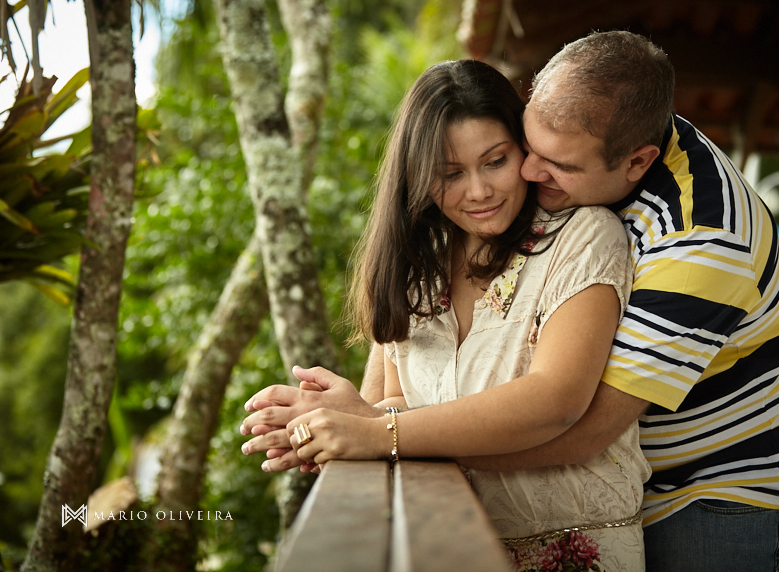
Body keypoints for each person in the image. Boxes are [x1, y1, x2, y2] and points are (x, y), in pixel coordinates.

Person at [244, 31, 779, 572]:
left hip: (729, 478)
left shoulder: (700, 241)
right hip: (628, 475)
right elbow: (397, 377)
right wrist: (365, 419)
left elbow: (576, 425)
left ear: (637, 162)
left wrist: (381, 431)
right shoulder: (603, 126)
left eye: (550, 165)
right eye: (527, 143)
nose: (525, 170)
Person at [243, 59, 649, 571]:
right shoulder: (419, 262)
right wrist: (341, 418)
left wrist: (373, 431)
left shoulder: (584, 238)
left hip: (572, 552)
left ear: (523, 149)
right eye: (450, 174)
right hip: (442, 546)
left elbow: (556, 399)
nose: (478, 191)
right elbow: (392, 400)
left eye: (495, 161)